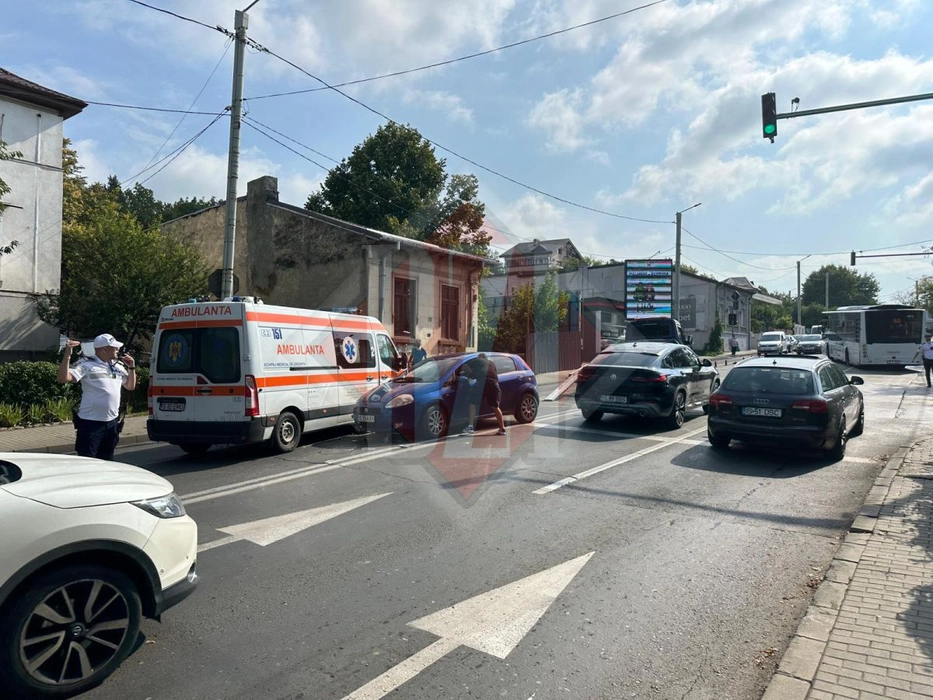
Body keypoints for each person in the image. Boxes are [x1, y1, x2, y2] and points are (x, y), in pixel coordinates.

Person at [58, 333, 136, 460]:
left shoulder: (118, 367)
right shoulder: (86, 365)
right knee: (88, 461)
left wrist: (132, 367)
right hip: (91, 423)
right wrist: (67, 356)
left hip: (111, 423)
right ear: (104, 350)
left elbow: (130, 386)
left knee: (107, 461)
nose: (118, 349)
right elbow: (63, 378)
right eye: (115, 347)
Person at [462, 353, 506, 435]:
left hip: (482, 382)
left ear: (481, 358)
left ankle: (470, 427)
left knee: (472, 403)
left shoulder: (479, 360)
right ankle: (502, 428)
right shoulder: (492, 364)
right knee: (495, 406)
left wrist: (462, 370)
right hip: (494, 384)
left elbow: (465, 364)